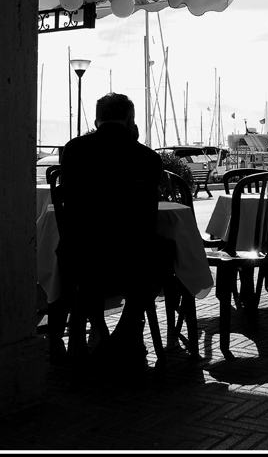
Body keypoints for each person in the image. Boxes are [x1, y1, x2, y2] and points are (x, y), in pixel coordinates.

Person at [56, 92, 165, 371]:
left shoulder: (74, 150)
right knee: (159, 252)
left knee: (84, 252)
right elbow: (149, 216)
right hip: (132, 260)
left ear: (97, 119)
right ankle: (127, 328)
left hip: (81, 258)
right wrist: (134, 140)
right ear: (131, 121)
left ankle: (98, 328)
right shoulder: (147, 158)